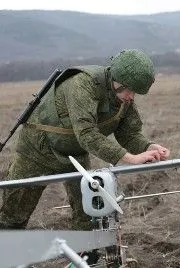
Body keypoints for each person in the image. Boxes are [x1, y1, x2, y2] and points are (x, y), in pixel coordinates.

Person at [0, 49, 170, 233]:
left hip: (75, 153)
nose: (131, 97)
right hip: (38, 149)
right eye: (129, 90)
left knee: (89, 211)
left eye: (135, 92)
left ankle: (86, 256)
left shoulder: (123, 99)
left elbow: (129, 134)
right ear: (117, 80)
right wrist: (129, 158)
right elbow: (87, 134)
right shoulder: (82, 83)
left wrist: (148, 147)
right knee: (14, 214)